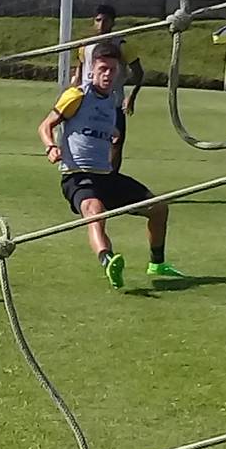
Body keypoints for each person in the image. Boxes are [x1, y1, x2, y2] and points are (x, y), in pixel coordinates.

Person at [39, 42, 183, 290]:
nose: (107, 74)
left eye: (112, 70)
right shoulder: (76, 96)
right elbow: (45, 125)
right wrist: (51, 147)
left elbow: (102, 126)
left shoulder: (112, 101)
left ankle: (157, 264)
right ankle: (107, 260)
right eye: (102, 69)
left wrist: (112, 133)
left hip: (106, 176)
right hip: (77, 176)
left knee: (159, 208)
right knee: (95, 212)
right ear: (92, 71)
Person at [71, 2, 145, 170]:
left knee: (116, 141)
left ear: (112, 22)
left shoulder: (122, 45)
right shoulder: (85, 45)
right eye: (98, 20)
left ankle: (112, 177)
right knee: (85, 137)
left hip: (113, 102)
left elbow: (139, 73)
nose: (101, 25)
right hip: (87, 101)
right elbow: (80, 68)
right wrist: (74, 87)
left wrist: (131, 96)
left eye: (105, 21)